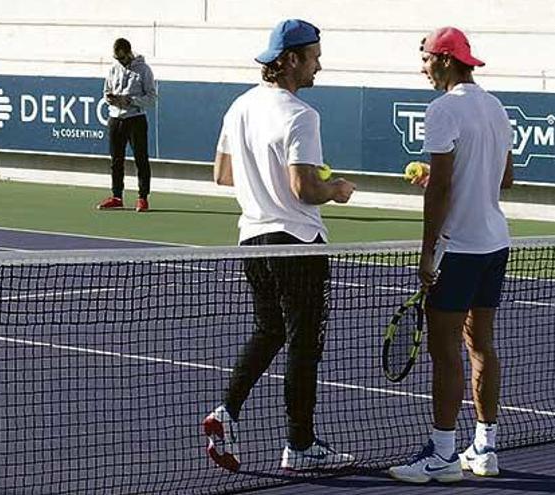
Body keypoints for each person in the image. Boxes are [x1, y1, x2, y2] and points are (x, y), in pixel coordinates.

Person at [201, 19, 357, 473]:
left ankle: (225, 412)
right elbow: (304, 188)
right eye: (313, 57)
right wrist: (336, 188)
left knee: (270, 330)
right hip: (298, 243)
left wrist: (277, 177)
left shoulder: (240, 107)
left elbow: (223, 175)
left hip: (254, 239)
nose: (319, 66)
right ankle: (300, 445)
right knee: (303, 345)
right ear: (290, 61)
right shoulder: (302, 115)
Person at [388, 26, 514, 484]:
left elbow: (440, 188)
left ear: (444, 60)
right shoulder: (496, 107)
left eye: (424, 59)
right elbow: (506, 180)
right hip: (495, 244)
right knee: (481, 345)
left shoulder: (443, 109)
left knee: (445, 353)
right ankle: (485, 447)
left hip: (457, 249)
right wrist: (450, 176)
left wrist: (427, 253)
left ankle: (442, 454)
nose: (422, 68)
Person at [96, 38, 157, 213]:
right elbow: (106, 90)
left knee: (141, 159)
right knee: (116, 160)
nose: (120, 61)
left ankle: (142, 197)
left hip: (136, 118)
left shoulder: (144, 70)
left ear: (129, 53)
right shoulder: (113, 68)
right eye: (117, 58)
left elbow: (152, 98)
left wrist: (131, 100)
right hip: (115, 118)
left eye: (122, 58)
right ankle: (117, 197)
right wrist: (110, 98)